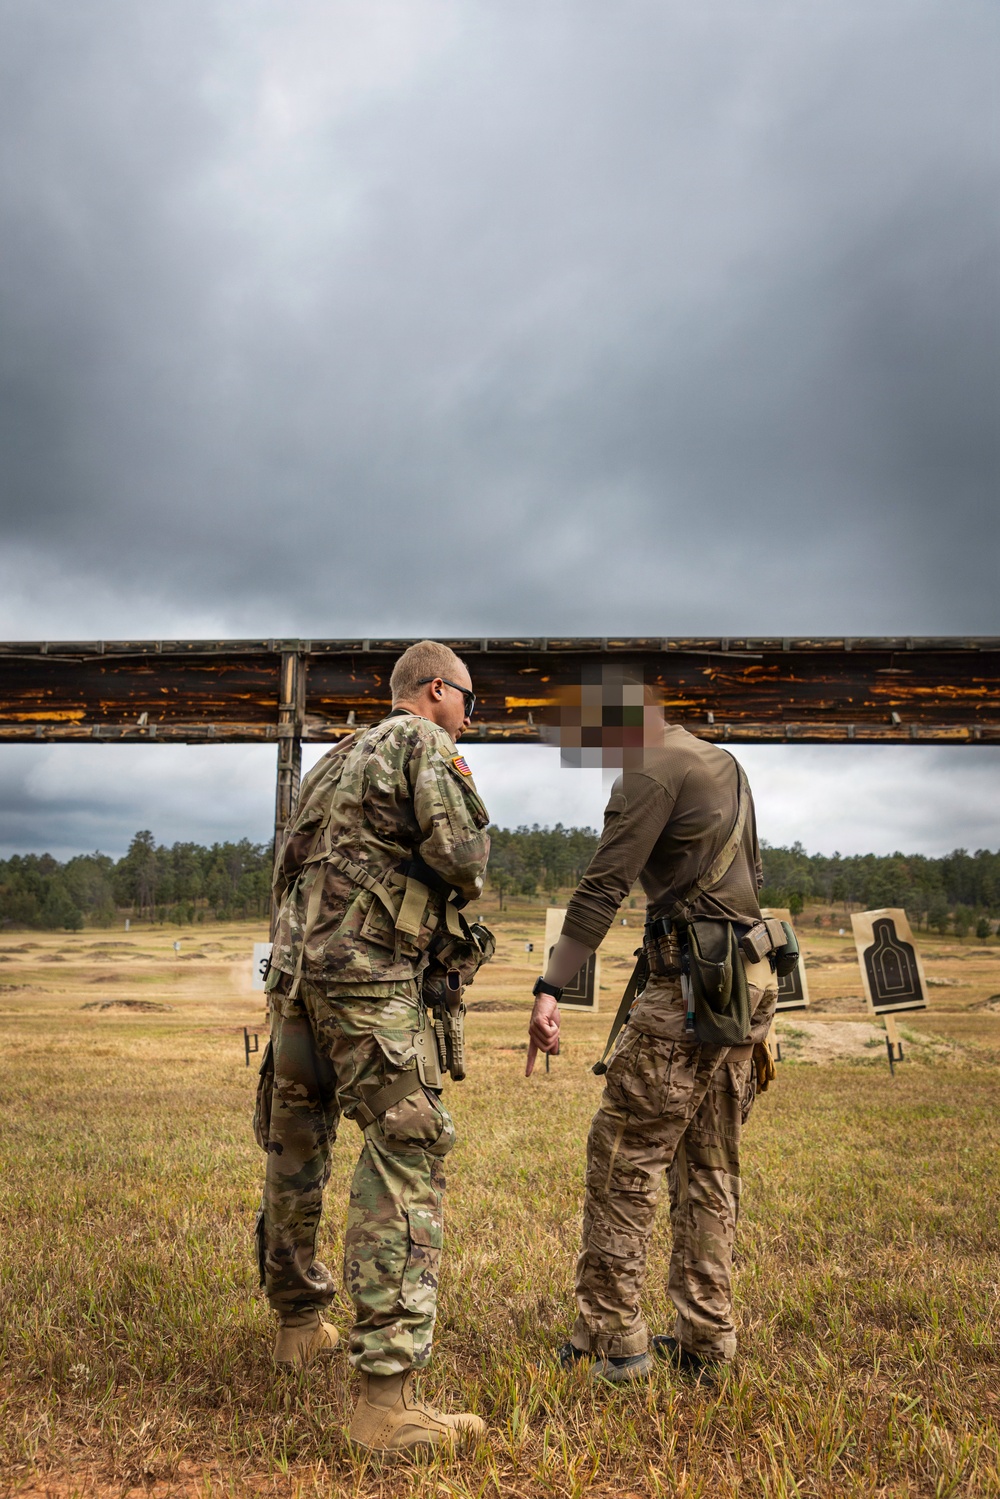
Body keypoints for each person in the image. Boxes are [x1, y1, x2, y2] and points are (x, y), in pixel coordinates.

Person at [256, 640, 491, 1452]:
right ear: (436, 690)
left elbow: (285, 864)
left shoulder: (333, 758)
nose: (470, 718)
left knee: (295, 1146)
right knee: (407, 1149)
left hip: (295, 982)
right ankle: (385, 1404)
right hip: (366, 980)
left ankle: (296, 1326)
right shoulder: (422, 741)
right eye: (469, 701)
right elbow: (465, 856)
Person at [527, 698, 777, 1384]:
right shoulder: (722, 762)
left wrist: (549, 985)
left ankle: (614, 1343)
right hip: (743, 987)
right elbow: (751, 880)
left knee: (622, 1158)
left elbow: (602, 886)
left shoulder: (648, 770)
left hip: (689, 989)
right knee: (709, 1167)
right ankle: (705, 1341)